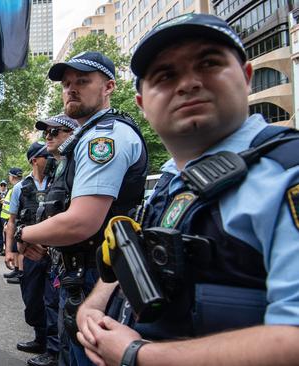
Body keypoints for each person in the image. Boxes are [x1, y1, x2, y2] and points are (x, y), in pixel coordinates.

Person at [76, 14, 299, 366]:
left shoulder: (287, 173)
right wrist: (93, 306)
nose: (188, 83)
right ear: (142, 104)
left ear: (246, 76)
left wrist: (137, 354)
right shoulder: (169, 180)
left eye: (209, 63)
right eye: (166, 76)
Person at [17, 51, 148, 366]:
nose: (71, 89)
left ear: (108, 87)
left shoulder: (103, 139)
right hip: (82, 273)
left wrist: (25, 234)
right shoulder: (83, 139)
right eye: (66, 83)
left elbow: (81, 222)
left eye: (83, 81)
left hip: (97, 275)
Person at [29, 114, 78, 366]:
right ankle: (53, 350)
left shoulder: (78, 163)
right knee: (56, 313)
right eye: (45, 133)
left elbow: (75, 219)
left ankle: (55, 352)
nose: (47, 137)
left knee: (73, 334)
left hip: (79, 265)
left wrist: (23, 236)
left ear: (72, 133)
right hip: (59, 259)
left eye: (54, 132)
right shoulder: (62, 166)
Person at [4, 142, 55, 361]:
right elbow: (12, 222)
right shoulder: (20, 188)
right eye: (46, 155)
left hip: (56, 253)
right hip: (30, 253)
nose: (51, 158)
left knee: (53, 301)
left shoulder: (60, 182)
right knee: (32, 298)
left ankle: (52, 350)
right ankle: (39, 339)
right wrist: (9, 251)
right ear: (35, 160)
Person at [2, 168, 24, 283]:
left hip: (15, 222)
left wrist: (8, 224)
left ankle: (20, 272)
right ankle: (16, 269)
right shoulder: (22, 186)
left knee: (19, 248)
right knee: (16, 248)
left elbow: (14, 210)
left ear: (12, 176)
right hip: (14, 221)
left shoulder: (16, 188)